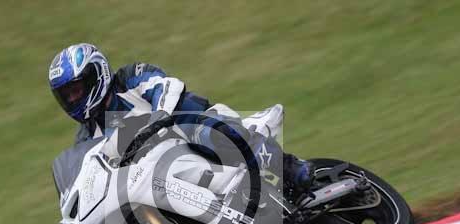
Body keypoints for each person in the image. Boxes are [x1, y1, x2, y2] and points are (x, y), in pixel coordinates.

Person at [48, 43, 314, 197]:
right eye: (66, 96)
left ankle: (289, 167)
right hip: (156, 176)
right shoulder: (86, 139)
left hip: (188, 133)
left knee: (202, 129)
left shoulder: (130, 78)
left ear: (97, 75)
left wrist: (157, 120)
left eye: (76, 90)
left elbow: (168, 86)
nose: (73, 99)